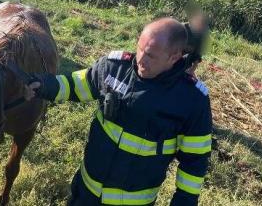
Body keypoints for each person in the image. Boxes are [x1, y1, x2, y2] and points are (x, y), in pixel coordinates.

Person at [24, 17, 212, 206]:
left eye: (150, 55)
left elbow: (194, 163)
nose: (140, 60)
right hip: (85, 193)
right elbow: (77, 85)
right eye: (139, 48)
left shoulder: (192, 101)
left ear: (174, 57)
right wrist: (44, 84)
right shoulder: (114, 67)